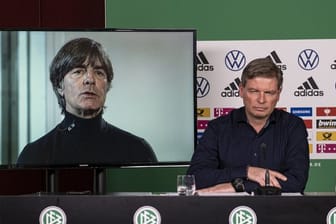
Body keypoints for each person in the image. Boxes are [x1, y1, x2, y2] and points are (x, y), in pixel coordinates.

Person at [17, 37, 157, 166]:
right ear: (60, 86)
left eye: (99, 72)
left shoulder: (138, 151)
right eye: (78, 71)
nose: (90, 79)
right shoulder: (34, 155)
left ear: (107, 86)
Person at [187, 57, 309, 194]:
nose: (261, 100)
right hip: (225, 213)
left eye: (269, 93)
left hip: (279, 213)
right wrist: (246, 172)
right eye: (254, 91)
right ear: (241, 90)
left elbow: (296, 182)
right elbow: (196, 178)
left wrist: (238, 186)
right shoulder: (218, 128)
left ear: (278, 94)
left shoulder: (293, 127)